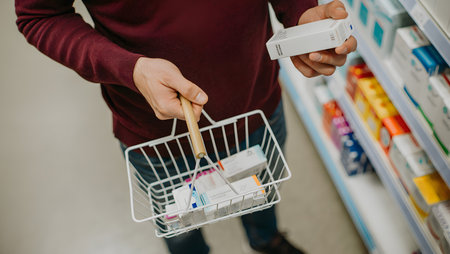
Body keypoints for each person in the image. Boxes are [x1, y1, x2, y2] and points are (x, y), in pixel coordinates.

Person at [15, 0, 357, 253]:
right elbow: (40, 15)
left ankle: (266, 241)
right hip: (156, 136)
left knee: (262, 192)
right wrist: (129, 68)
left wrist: (299, 14)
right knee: (180, 230)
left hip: (255, 105)